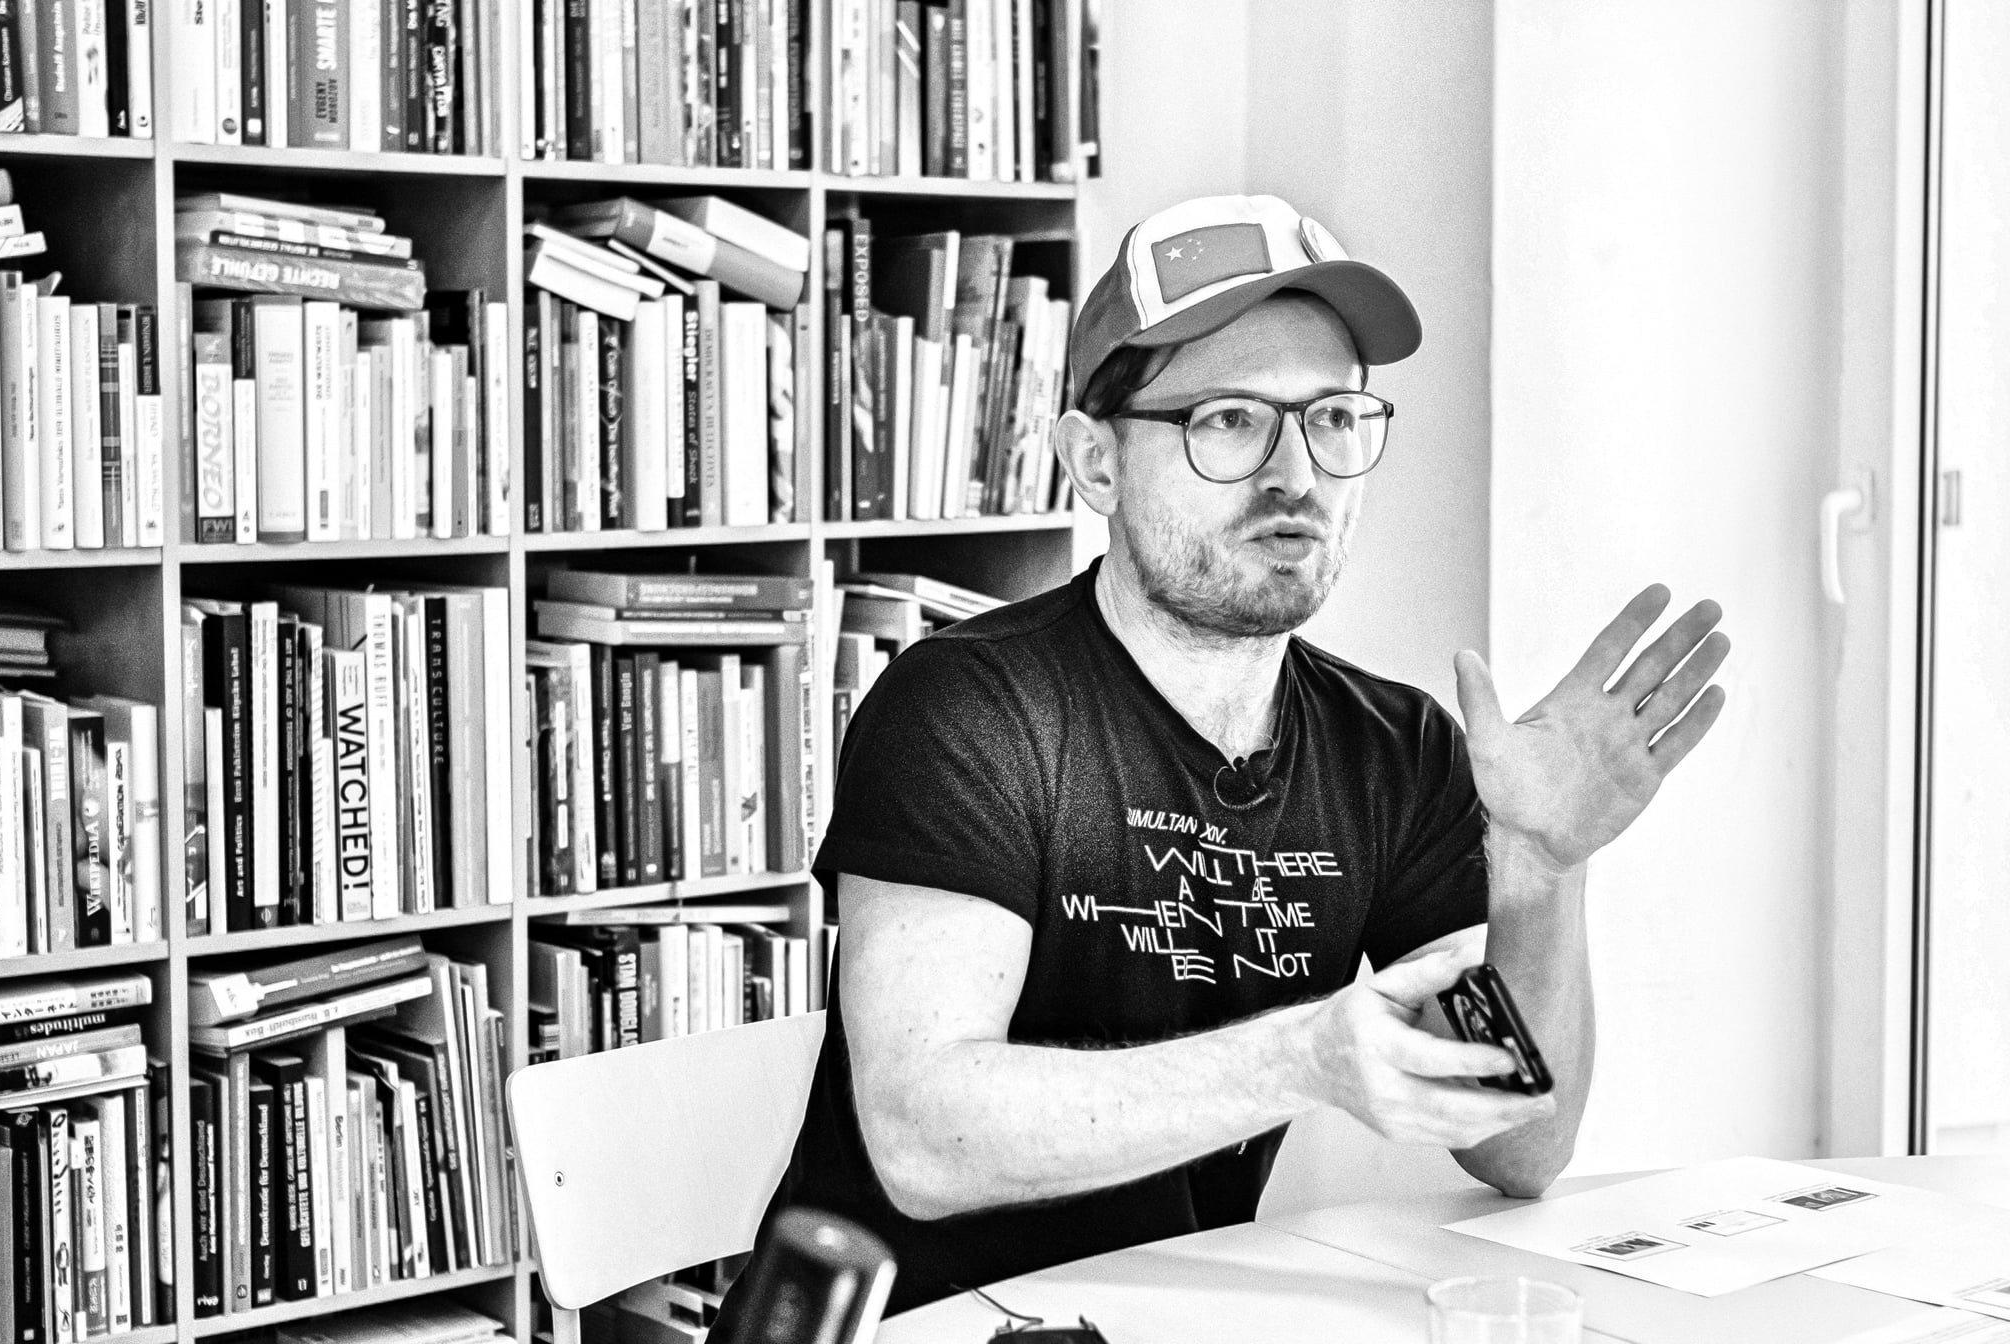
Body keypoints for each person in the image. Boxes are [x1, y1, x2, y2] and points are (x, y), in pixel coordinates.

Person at [719, 193, 1732, 1317]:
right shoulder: (969, 711)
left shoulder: (1392, 749)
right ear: (1095, 463)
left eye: (1333, 417)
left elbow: (1519, 1143)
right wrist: (1303, 1057)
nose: (1296, 473)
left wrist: (1540, 868)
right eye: (1230, 419)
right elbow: (922, 1140)